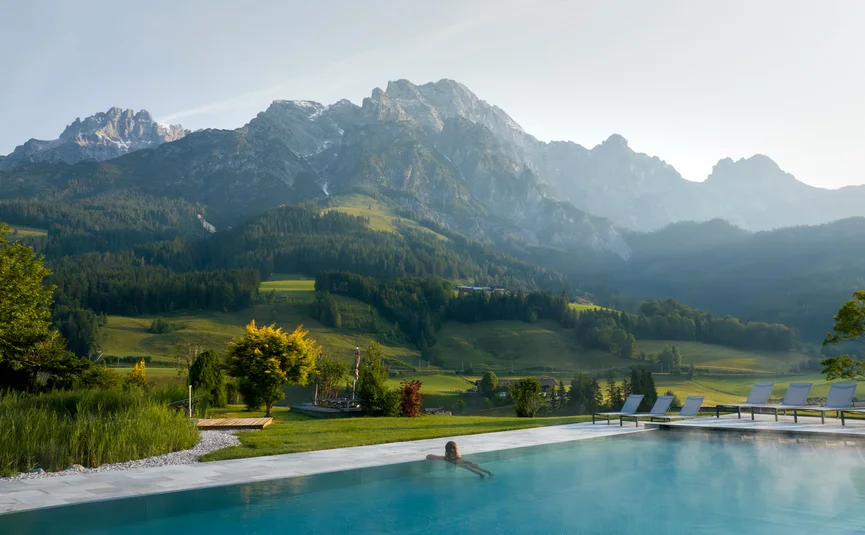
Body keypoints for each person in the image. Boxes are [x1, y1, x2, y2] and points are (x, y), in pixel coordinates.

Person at [426, 441, 494, 479]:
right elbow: (429, 456)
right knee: (471, 467)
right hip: (458, 462)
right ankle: (486, 473)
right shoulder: (451, 455)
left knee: (470, 467)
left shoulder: (452, 456)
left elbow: (460, 461)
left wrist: (470, 462)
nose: (453, 450)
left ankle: (484, 473)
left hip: (459, 463)